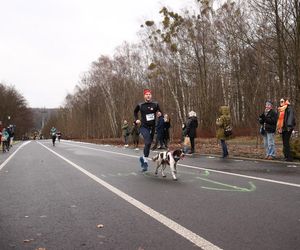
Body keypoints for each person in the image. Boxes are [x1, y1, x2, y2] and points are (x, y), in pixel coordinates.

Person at [134, 89, 161, 171]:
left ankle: (143, 158)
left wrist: (160, 113)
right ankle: (145, 162)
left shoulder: (155, 104)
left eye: (149, 94)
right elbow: (135, 112)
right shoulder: (140, 105)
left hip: (152, 127)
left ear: (151, 96)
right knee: (148, 142)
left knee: (148, 145)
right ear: (144, 96)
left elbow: (160, 111)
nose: (148, 95)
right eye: (147, 94)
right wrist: (136, 119)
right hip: (144, 127)